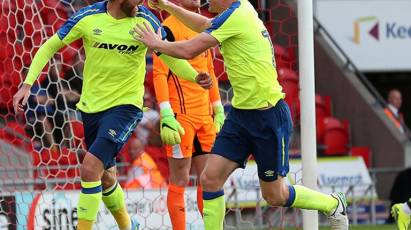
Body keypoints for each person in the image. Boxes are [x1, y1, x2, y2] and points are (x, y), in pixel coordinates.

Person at [134, 0, 349, 229]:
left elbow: (189, 50)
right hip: (240, 117)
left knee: (275, 195)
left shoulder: (238, 14)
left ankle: (332, 204)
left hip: (268, 117)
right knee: (209, 179)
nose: (206, 2)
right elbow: (204, 24)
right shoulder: (236, 12)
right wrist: (168, 7)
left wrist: (156, 44)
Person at [12, 0, 212, 229]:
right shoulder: (87, 17)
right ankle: (128, 226)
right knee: (106, 176)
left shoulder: (146, 20)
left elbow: (168, 57)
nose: (142, 2)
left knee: (89, 168)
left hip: (126, 107)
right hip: (91, 108)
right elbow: (50, 46)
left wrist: (194, 76)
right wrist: (28, 84)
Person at [152, 0, 224, 228]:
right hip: (180, 117)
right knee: (180, 179)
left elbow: (209, 69)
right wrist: (166, 114)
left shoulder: (204, 25)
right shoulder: (168, 28)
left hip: (205, 117)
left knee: (210, 179)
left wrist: (218, 106)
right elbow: (160, 73)